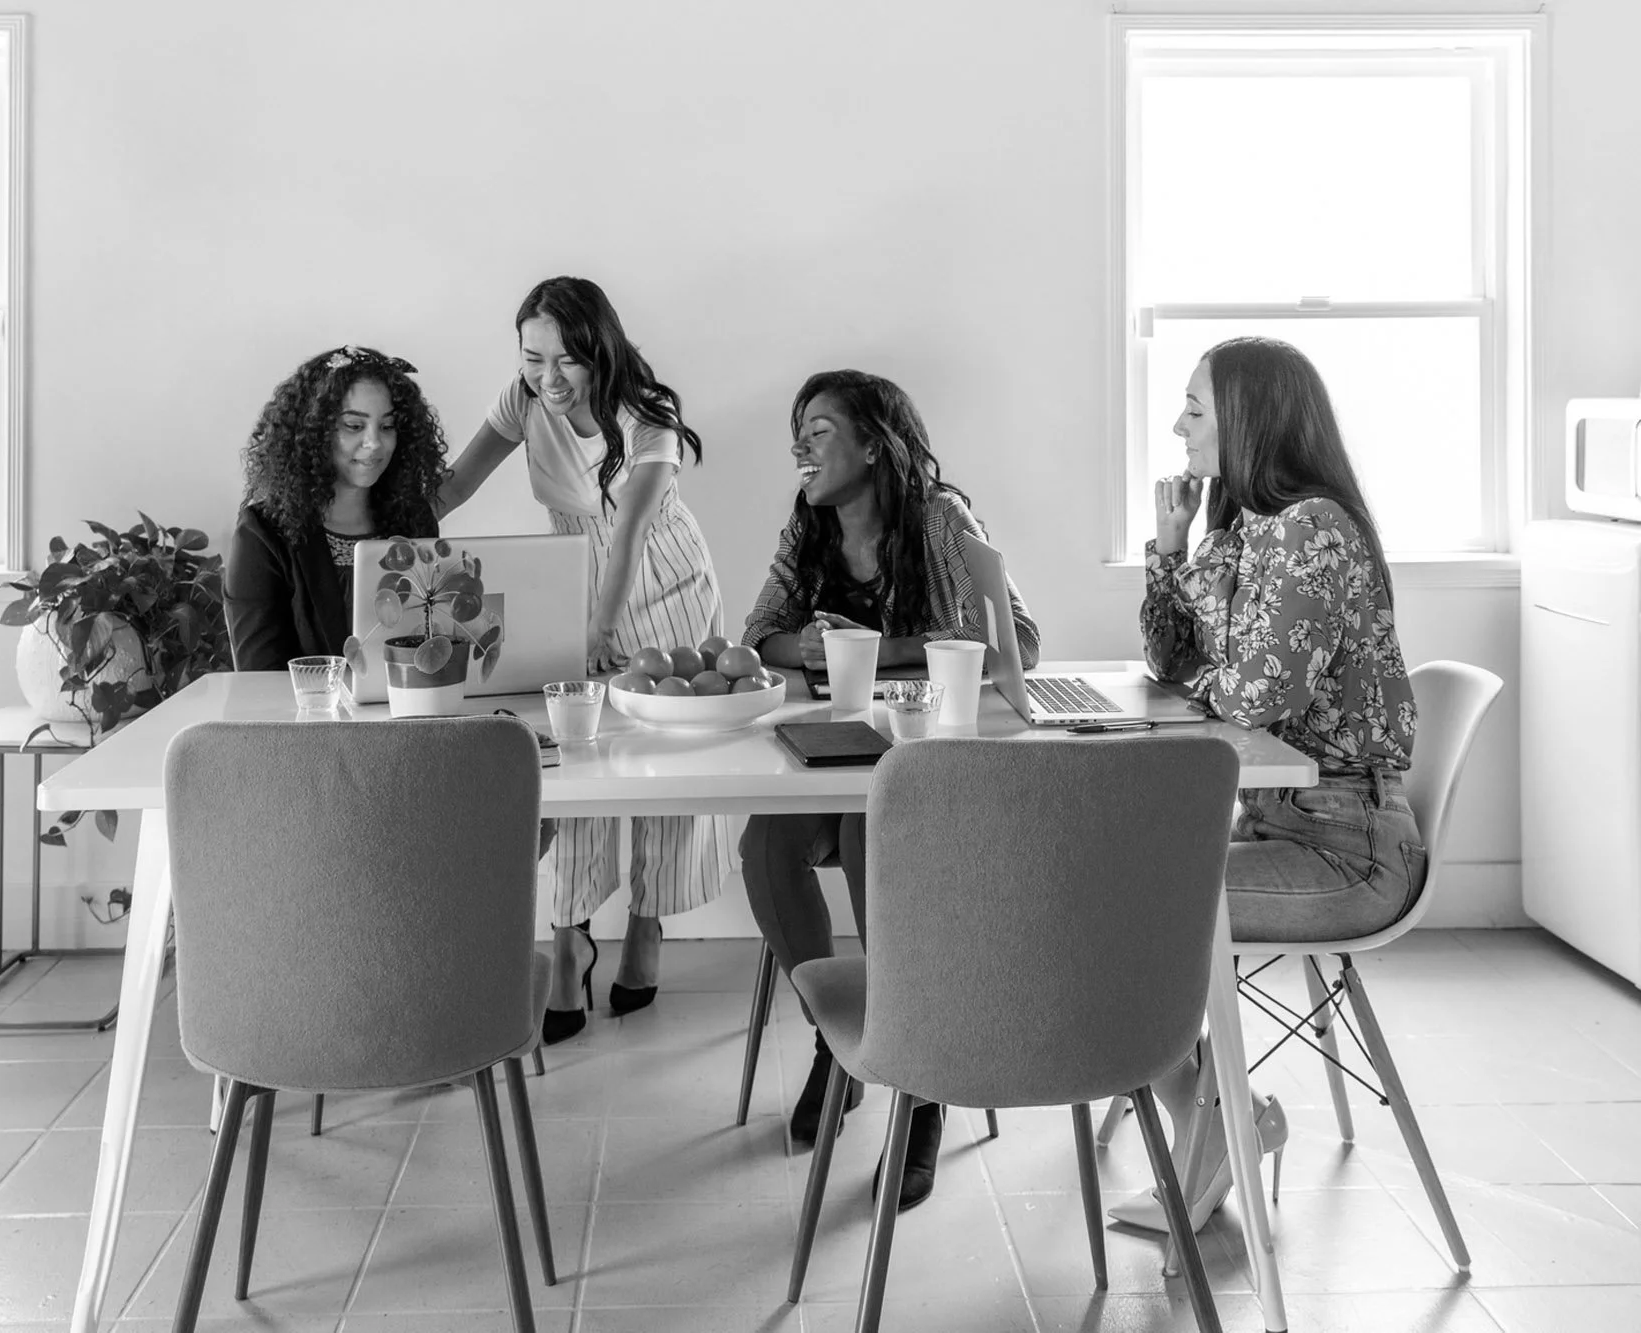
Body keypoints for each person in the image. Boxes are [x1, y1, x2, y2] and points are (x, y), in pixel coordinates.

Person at [1114, 336, 1423, 1234]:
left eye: (1196, 408)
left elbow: (1251, 692)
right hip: (1280, 823)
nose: (1178, 424)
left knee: (1118, 910)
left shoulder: (1312, 529)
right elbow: (1174, 662)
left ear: (1251, 420)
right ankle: (1220, 1120)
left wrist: (1212, 636)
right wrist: (1173, 549)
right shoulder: (1255, 530)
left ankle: (1215, 1124)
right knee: (1102, 886)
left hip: (1347, 849)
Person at [739, 369, 1041, 1213]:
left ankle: (924, 1079)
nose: (800, 446)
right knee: (765, 843)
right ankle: (838, 1045)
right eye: (797, 429)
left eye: (822, 430)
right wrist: (807, 643)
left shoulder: (943, 519)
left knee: (884, 826)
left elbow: (1019, 637)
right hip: (836, 763)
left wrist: (878, 647)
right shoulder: (808, 531)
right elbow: (757, 634)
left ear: (873, 444)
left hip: (938, 777)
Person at [437, 276, 724, 1045]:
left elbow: (628, 534)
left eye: (568, 361)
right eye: (534, 359)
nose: (549, 378)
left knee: (667, 760)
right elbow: (458, 481)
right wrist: (386, 542)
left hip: (664, 585)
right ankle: (567, 938)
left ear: (601, 351)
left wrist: (597, 631)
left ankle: (648, 921)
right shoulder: (523, 399)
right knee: (578, 754)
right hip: (576, 575)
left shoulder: (648, 418)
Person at [224, 346, 448, 670]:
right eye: (354, 426)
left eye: (387, 426)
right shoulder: (262, 533)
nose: (374, 443)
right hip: (307, 719)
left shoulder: (413, 520)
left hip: (403, 716)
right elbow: (259, 680)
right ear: (314, 432)